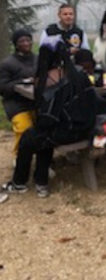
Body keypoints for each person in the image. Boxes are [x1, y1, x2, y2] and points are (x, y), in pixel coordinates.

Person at [2, 43, 98, 199]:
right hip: (86, 126)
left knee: (30, 138)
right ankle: (41, 184)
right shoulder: (80, 74)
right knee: (41, 137)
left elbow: (48, 118)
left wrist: (39, 126)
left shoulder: (50, 80)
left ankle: (19, 183)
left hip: (69, 131)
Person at [0, 30, 38, 160]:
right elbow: (3, 88)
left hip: (37, 102)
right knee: (24, 129)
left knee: (45, 128)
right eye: (22, 41)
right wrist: (23, 82)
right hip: (16, 104)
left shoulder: (38, 59)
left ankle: (42, 161)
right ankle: (20, 159)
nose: (26, 43)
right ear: (16, 44)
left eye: (28, 40)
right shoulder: (7, 64)